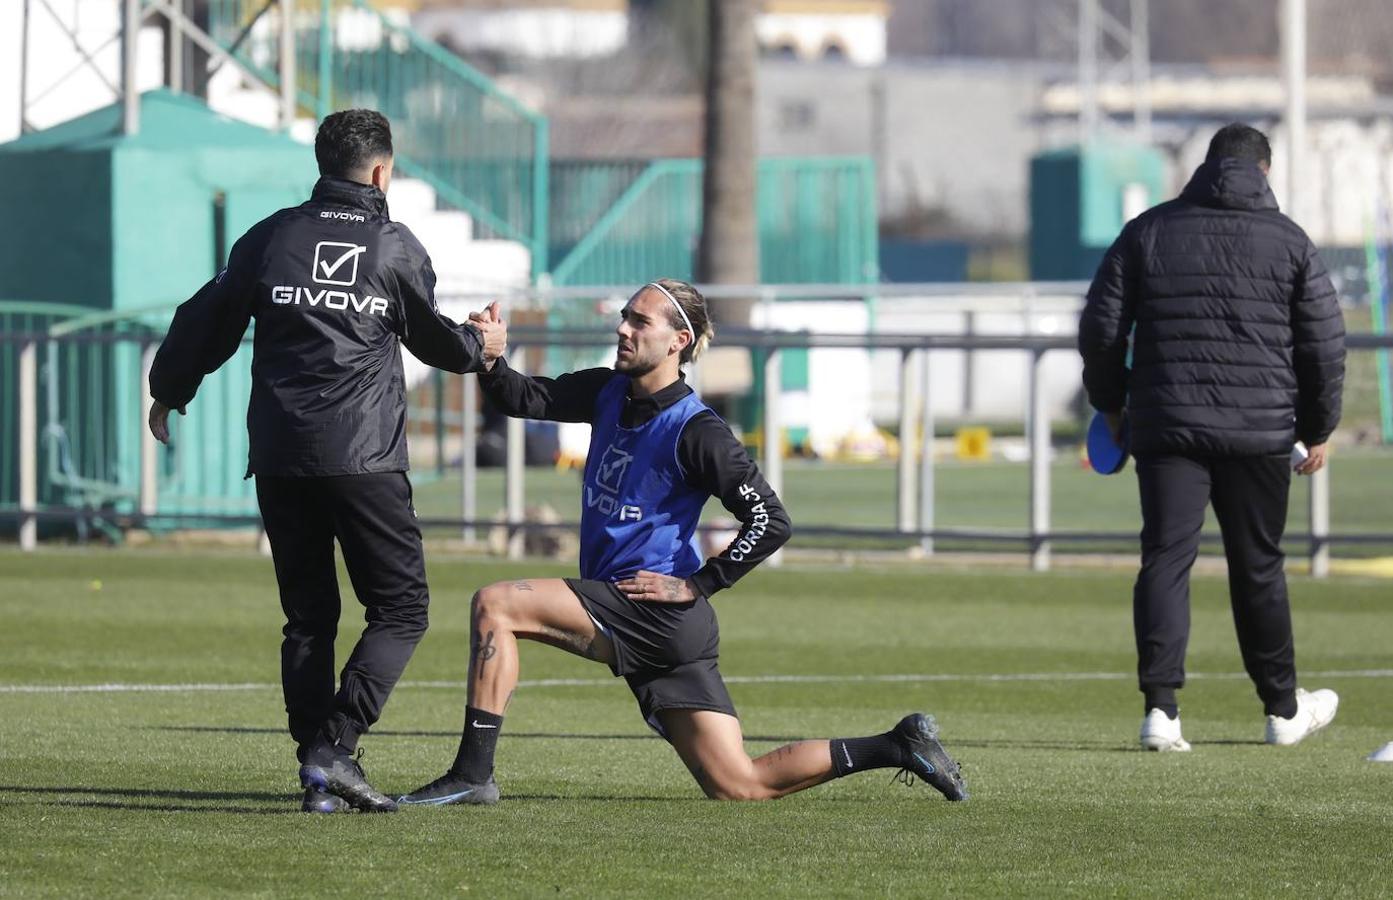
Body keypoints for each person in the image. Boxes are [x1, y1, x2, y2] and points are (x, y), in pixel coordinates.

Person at [397, 279, 969, 805]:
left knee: (496, 604)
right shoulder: (609, 390)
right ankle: (897, 746)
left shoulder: (700, 431)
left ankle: (473, 775)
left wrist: (699, 583)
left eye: (639, 322)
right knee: (740, 784)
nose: (623, 328)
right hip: (658, 621)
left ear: (679, 341)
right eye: (625, 317)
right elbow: (523, 399)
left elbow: (771, 520)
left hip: (650, 608)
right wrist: (491, 359)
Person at [147, 109, 507, 812]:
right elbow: (436, 341)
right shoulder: (393, 246)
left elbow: (206, 317)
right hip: (363, 457)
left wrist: (168, 391)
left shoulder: (273, 237)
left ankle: (317, 775)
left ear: (321, 165)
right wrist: (482, 347)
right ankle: (334, 750)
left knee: (308, 618)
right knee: (401, 609)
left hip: (281, 455)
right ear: (381, 171)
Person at [1079, 123, 1346, 752]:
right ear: (1265, 172)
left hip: (1167, 427)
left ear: (1206, 166)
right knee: (1258, 568)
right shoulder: (1290, 241)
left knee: (1166, 560)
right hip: (1260, 432)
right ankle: (1282, 710)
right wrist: (1317, 428)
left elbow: (1100, 327)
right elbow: (1324, 346)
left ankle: (1161, 711)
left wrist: (1112, 405)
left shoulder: (1148, 230)